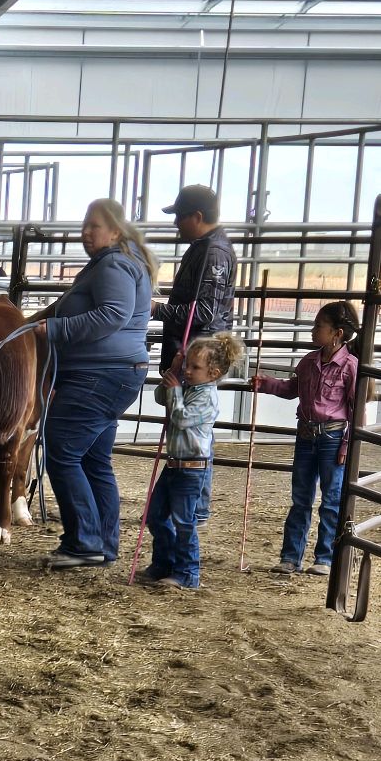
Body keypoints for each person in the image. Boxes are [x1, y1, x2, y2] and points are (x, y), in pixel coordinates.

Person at [32, 197, 154, 569]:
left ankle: (84, 541)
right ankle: (103, 543)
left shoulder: (113, 264)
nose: (85, 233)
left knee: (62, 452)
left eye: (94, 226)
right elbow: (69, 308)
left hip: (98, 374)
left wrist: (55, 329)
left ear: (115, 231)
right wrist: (25, 324)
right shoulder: (114, 262)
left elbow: (112, 314)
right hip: (114, 373)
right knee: (93, 460)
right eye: (83, 226)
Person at [252, 299, 360, 576]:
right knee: (301, 497)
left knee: (331, 499)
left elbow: (355, 409)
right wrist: (267, 384)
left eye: (319, 326)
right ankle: (291, 557)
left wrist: (347, 444)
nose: (313, 331)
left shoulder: (350, 366)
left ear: (337, 333)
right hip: (306, 434)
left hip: (332, 437)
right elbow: (292, 389)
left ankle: (325, 557)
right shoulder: (309, 361)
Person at [157, 184, 238, 524]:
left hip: (198, 354)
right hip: (192, 352)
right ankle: (188, 502)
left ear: (198, 216)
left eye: (180, 216)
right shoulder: (204, 248)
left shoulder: (213, 253)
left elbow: (204, 312)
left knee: (194, 429)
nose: (176, 223)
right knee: (190, 427)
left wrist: (158, 310)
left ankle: (195, 505)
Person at [142, 331, 245, 591]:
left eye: (194, 367)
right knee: (155, 516)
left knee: (184, 521)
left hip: (192, 468)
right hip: (174, 463)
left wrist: (175, 390)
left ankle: (188, 573)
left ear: (213, 373)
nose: (188, 370)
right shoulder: (186, 386)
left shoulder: (206, 397)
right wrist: (173, 372)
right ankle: (164, 563)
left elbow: (181, 418)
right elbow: (160, 397)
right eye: (187, 364)